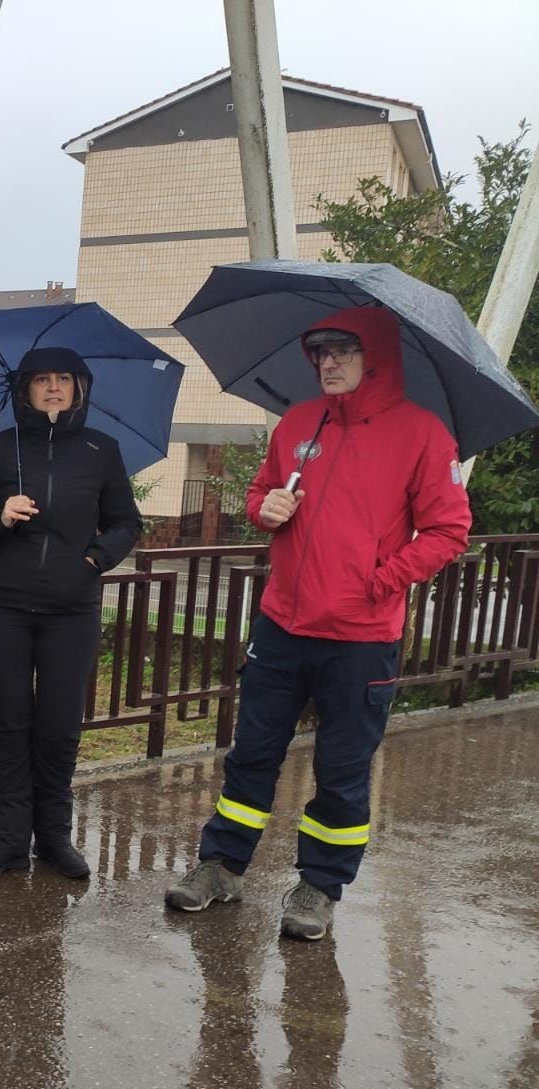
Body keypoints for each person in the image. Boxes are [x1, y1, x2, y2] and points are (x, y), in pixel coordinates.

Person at [165, 307, 472, 939]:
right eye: (318, 351)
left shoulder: (422, 434)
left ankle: (318, 888)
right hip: (283, 624)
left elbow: (449, 530)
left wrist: (378, 581)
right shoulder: (299, 424)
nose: (327, 362)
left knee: (342, 768)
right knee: (251, 753)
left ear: (378, 356)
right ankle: (220, 866)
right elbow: (260, 495)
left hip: (362, 638)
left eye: (342, 350)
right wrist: (267, 508)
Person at [0, 348, 142, 881]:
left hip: (71, 613)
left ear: (80, 388)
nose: (53, 388)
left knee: (59, 729)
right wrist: (0, 515)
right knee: (11, 726)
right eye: (41, 380)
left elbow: (127, 522)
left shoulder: (103, 451)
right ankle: (8, 841)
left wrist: (97, 558)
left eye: (64, 379)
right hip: (3, 610)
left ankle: (54, 838)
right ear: (25, 390)